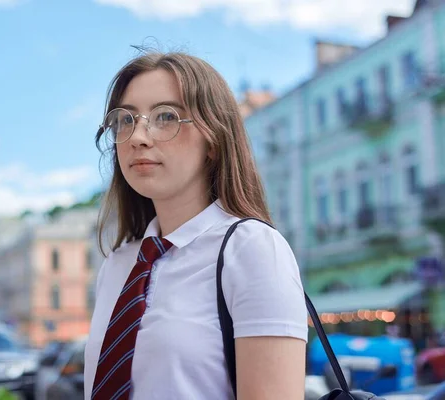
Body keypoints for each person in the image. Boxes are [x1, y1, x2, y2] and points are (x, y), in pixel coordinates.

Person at [84, 51, 308, 400]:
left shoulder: (251, 248)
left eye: (166, 116)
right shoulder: (118, 264)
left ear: (214, 140)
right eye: (126, 120)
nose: (138, 136)